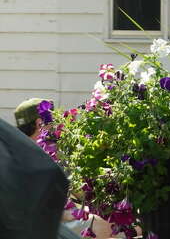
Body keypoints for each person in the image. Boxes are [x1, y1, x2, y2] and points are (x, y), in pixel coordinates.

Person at [12, 100, 114, 239]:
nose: (58, 125)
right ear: (39, 123)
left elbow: (81, 192)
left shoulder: (20, 152)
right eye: (54, 119)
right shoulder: (32, 157)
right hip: (42, 228)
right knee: (108, 226)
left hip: (54, 221)